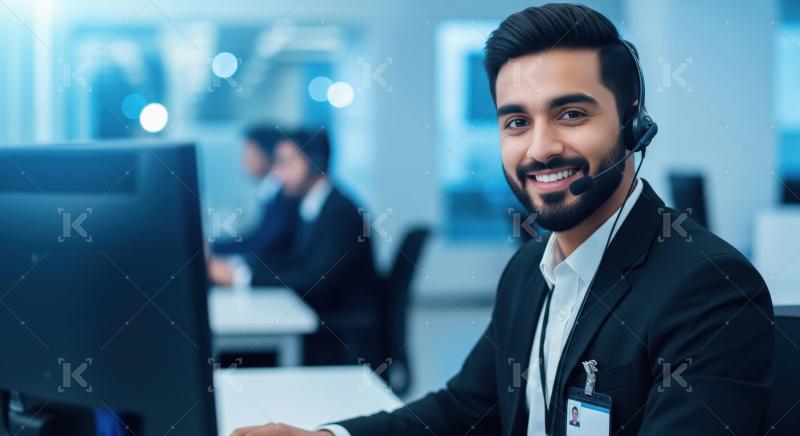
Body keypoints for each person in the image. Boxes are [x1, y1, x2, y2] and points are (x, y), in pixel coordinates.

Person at [231, 4, 773, 435]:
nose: (540, 148)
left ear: (634, 125)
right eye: (517, 121)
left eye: (571, 114)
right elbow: (467, 408)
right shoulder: (528, 270)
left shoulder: (710, 288)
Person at [211, 127, 381, 366]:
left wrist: (241, 277)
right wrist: (243, 271)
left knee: (242, 357)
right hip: (322, 321)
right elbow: (292, 259)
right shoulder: (313, 204)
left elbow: (313, 279)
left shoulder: (340, 213)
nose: (278, 173)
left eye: (286, 163)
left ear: (314, 163)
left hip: (340, 337)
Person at [211, 124, 299, 256]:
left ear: (269, 155)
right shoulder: (269, 191)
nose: (245, 161)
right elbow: (257, 239)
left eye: (251, 154)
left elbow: (264, 245)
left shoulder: (285, 194)